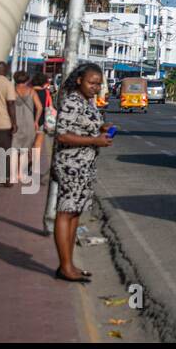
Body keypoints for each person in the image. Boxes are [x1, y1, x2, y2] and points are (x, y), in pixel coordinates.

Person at [51, 63, 113, 283]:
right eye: (91, 82)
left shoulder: (87, 101)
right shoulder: (71, 101)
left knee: (75, 213)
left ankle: (69, 264)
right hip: (71, 165)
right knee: (66, 212)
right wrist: (95, 140)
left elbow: (82, 126)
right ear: (79, 80)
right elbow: (62, 135)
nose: (95, 87)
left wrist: (101, 129)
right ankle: (64, 266)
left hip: (84, 166)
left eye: (98, 84)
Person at [10, 71, 42, 184]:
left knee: (14, 149)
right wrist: (36, 121)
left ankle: (12, 176)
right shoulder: (32, 92)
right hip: (29, 124)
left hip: (15, 124)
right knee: (24, 150)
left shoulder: (12, 92)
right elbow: (40, 107)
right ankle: (21, 175)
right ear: (27, 80)